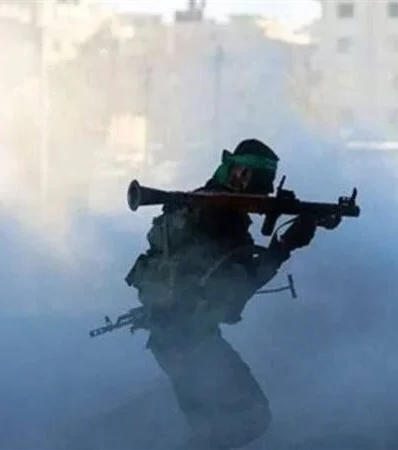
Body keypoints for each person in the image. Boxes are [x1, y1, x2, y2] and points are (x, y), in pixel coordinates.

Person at [124, 138, 318, 449]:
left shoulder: (194, 205)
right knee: (251, 418)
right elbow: (233, 296)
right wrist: (284, 247)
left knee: (208, 430)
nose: (267, 191)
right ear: (240, 174)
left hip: (171, 339)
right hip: (191, 343)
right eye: (262, 183)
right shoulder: (219, 217)